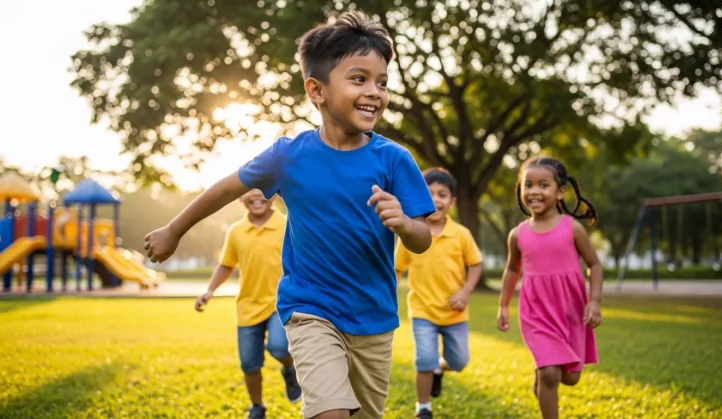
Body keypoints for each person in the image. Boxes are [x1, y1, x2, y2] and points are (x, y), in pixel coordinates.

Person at [144, 11, 435, 419]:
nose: (375, 92)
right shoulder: (288, 156)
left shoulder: (394, 160)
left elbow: (422, 240)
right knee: (330, 413)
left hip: (373, 318)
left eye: (382, 82)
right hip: (310, 309)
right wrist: (174, 229)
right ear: (316, 90)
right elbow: (226, 188)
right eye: (359, 79)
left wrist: (405, 223)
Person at [497, 156, 602, 419]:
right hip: (536, 311)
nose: (534, 191)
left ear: (560, 192)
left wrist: (595, 301)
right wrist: (503, 305)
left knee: (571, 377)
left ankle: (541, 377)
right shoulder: (518, 234)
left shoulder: (573, 229)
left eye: (543, 185)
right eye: (528, 185)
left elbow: (594, 265)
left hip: (571, 311)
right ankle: (544, 379)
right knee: (550, 373)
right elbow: (512, 270)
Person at [194, 189, 300, 419]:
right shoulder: (236, 231)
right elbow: (226, 264)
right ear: (241, 198)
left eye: (263, 191)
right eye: (250, 192)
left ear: (275, 195)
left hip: (281, 303)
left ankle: (289, 370)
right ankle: (257, 407)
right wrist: (209, 290)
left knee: (279, 346)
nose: (256, 196)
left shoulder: (287, 225)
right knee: (249, 363)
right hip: (248, 305)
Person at [394, 168, 483, 419]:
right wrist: (387, 295)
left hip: (455, 313)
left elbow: (476, 264)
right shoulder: (409, 232)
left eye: (442, 194)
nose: (435, 199)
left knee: (459, 362)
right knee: (424, 359)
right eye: (429, 193)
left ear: (452, 201)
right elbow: (396, 269)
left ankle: (439, 370)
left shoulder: (461, 234)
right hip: (422, 310)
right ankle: (423, 407)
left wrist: (465, 292)